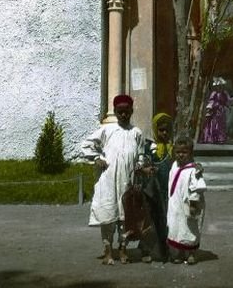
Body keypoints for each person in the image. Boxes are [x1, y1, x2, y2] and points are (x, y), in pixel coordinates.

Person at [81, 94, 144, 264]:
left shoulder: (136, 132)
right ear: (115, 112)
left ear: (131, 111)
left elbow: (141, 153)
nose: (124, 115)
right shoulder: (107, 130)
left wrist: (139, 164)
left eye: (127, 111)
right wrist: (96, 158)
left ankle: (123, 249)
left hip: (127, 180)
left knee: (126, 216)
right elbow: (87, 144)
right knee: (108, 213)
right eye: (120, 112)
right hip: (108, 179)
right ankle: (108, 250)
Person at [138, 112, 174, 262]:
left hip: (167, 190)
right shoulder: (148, 147)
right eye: (161, 130)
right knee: (150, 219)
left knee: (165, 219)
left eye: (167, 130)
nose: (164, 133)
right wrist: (146, 169)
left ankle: (165, 250)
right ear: (155, 129)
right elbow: (141, 165)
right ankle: (146, 250)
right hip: (152, 190)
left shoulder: (173, 148)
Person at [166, 134, 207, 265]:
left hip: (188, 204)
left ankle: (191, 253)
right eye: (178, 152)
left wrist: (193, 204)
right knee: (176, 227)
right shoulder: (174, 166)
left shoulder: (193, 170)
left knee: (190, 228)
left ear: (190, 153)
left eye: (184, 152)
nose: (181, 155)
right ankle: (179, 252)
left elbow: (195, 189)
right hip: (175, 204)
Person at [199, 77, 233, 144]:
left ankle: (220, 138)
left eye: (221, 86)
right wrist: (211, 107)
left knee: (221, 125)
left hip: (221, 111)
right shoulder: (214, 93)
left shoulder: (224, 93)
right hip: (214, 111)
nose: (220, 87)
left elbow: (228, 100)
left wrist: (231, 101)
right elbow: (211, 101)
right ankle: (212, 138)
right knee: (214, 124)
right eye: (219, 86)